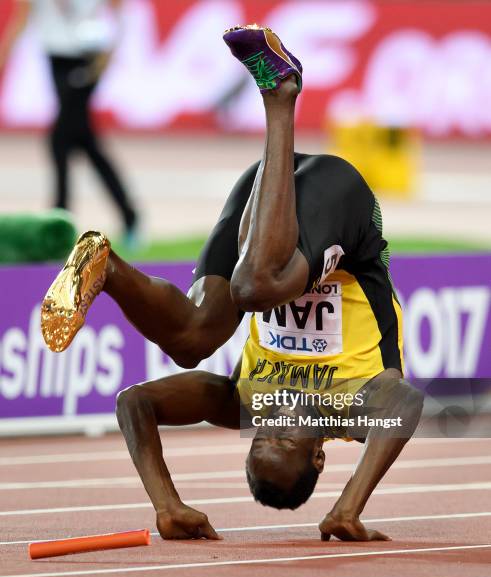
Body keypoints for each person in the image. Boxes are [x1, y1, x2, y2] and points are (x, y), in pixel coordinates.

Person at [40, 25, 423, 542]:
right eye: (282, 438)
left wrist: (166, 503)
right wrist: (347, 507)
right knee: (255, 288)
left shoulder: (248, 403)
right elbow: (407, 402)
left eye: (258, 436)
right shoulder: (354, 407)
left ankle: (106, 266)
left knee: (192, 339)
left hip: (266, 199)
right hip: (341, 205)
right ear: (318, 451)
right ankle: (280, 94)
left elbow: (136, 402)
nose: (271, 421)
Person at [0, 0, 138, 241]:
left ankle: (59, 221)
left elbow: (120, 13)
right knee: (85, 141)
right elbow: (21, 19)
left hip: (87, 57)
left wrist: (111, 51)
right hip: (56, 60)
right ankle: (129, 216)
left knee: (59, 139)